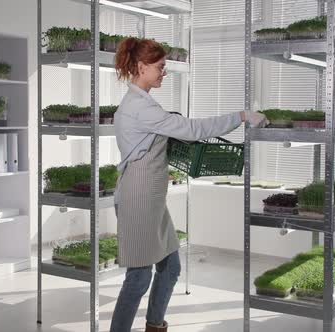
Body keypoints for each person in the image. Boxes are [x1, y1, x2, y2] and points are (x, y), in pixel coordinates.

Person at [110, 37, 267, 332]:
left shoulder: (144, 102)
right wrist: (242, 116)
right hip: (138, 198)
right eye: (160, 66)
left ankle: (155, 326)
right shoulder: (138, 108)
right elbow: (193, 130)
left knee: (170, 268)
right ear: (142, 67)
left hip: (152, 198)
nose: (164, 72)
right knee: (139, 277)